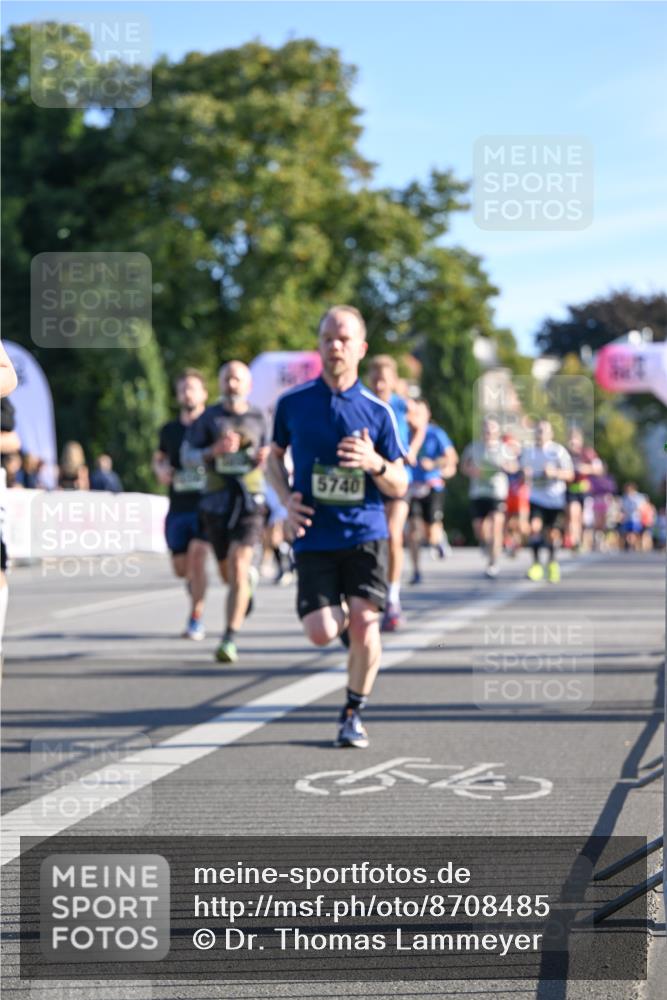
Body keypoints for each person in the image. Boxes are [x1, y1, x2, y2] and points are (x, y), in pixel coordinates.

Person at [267, 305, 408, 748]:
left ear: (360, 349)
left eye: (344, 339)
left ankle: (353, 712)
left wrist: (374, 463)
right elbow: (272, 457)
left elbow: (401, 482)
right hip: (314, 534)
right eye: (327, 338)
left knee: (366, 624)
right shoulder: (293, 404)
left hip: (365, 533)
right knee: (321, 632)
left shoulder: (378, 411)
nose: (334, 346)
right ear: (319, 345)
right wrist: (285, 497)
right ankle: (354, 634)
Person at [182, 361, 269, 663]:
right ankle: (245, 585)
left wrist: (263, 457)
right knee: (228, 573)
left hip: (250, 501)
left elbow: (276, 455)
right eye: (227, 378)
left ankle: (229, 637)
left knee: (239, 560)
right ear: (219, 384)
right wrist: (213, 451)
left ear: (248, 385)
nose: (232, 383)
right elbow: (187, 457)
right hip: (216, 502)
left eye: (237, 379)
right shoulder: (209, 418)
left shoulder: (260, 418)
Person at [366, 355, 424, 630]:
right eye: (375, 379)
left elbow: (420, 427)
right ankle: (370, 589)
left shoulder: (402, 405)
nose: (379, 384)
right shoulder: (364, 403)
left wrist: (411, 450)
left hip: (400, 479)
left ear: (393, 381)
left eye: (384, 380)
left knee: (392, 532)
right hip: (371, 478)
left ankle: (392, 599)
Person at [153, 369, 210, 640]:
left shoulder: (212, 425)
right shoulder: (169, 429)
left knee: (198, 558)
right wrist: (160, 470)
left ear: (203, 394)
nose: (187, 393)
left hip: (207, 504)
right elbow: (159, 458)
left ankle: (195, 617)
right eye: (183, 389)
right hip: (178, 506)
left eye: (192, 388)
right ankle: (195, 587)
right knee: (181, 569)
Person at [406, 399, 458, 584]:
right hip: (411, 487)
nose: (414, 417)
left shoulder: (436, 434)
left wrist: (434, 464)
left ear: (427, 415)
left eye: (419, 413)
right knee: (412, 530)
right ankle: (416, 570)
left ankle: (438, 539)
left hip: (432, 485)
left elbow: (451, 458)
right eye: (412, 413)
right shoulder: (405, 433)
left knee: (430, 533)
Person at [461, 417, 517, 578]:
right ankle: (486, 544)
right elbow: (464, 466)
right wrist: (471, 471)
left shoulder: (504, 449)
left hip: (497, 492)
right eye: (486, 430)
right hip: (478, 492)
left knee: (497, 526)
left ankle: (493, 563)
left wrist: (507, 467)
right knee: (480, 529)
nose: (488, 433)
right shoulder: (473, 447)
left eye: (492, 430)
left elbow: (514, 467)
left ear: (497, 432)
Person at [521, 420, 574, 582]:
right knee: (534, 528)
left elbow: (570, 475)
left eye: (544, 431)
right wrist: (527, 474)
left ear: (550, 434)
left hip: (555, 499)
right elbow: (523, 472)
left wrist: (554, 473)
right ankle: (536, 565)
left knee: (552, 534)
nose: (540, 434)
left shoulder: (558, 451)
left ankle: (552, 563)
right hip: (536, 497)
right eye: (538, 431)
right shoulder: (528, 452)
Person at [565, 428, 603, 551]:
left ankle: (583, 540)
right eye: (571, 439)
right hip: (571, 489)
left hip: (585, 489)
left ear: (580, 441)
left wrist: (585, 469)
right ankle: (574, 541)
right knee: (572, 514)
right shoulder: (565, 454)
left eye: (575, 439)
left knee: (583, 518)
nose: (573, 442)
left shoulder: (587, 453)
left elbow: (599, 469)